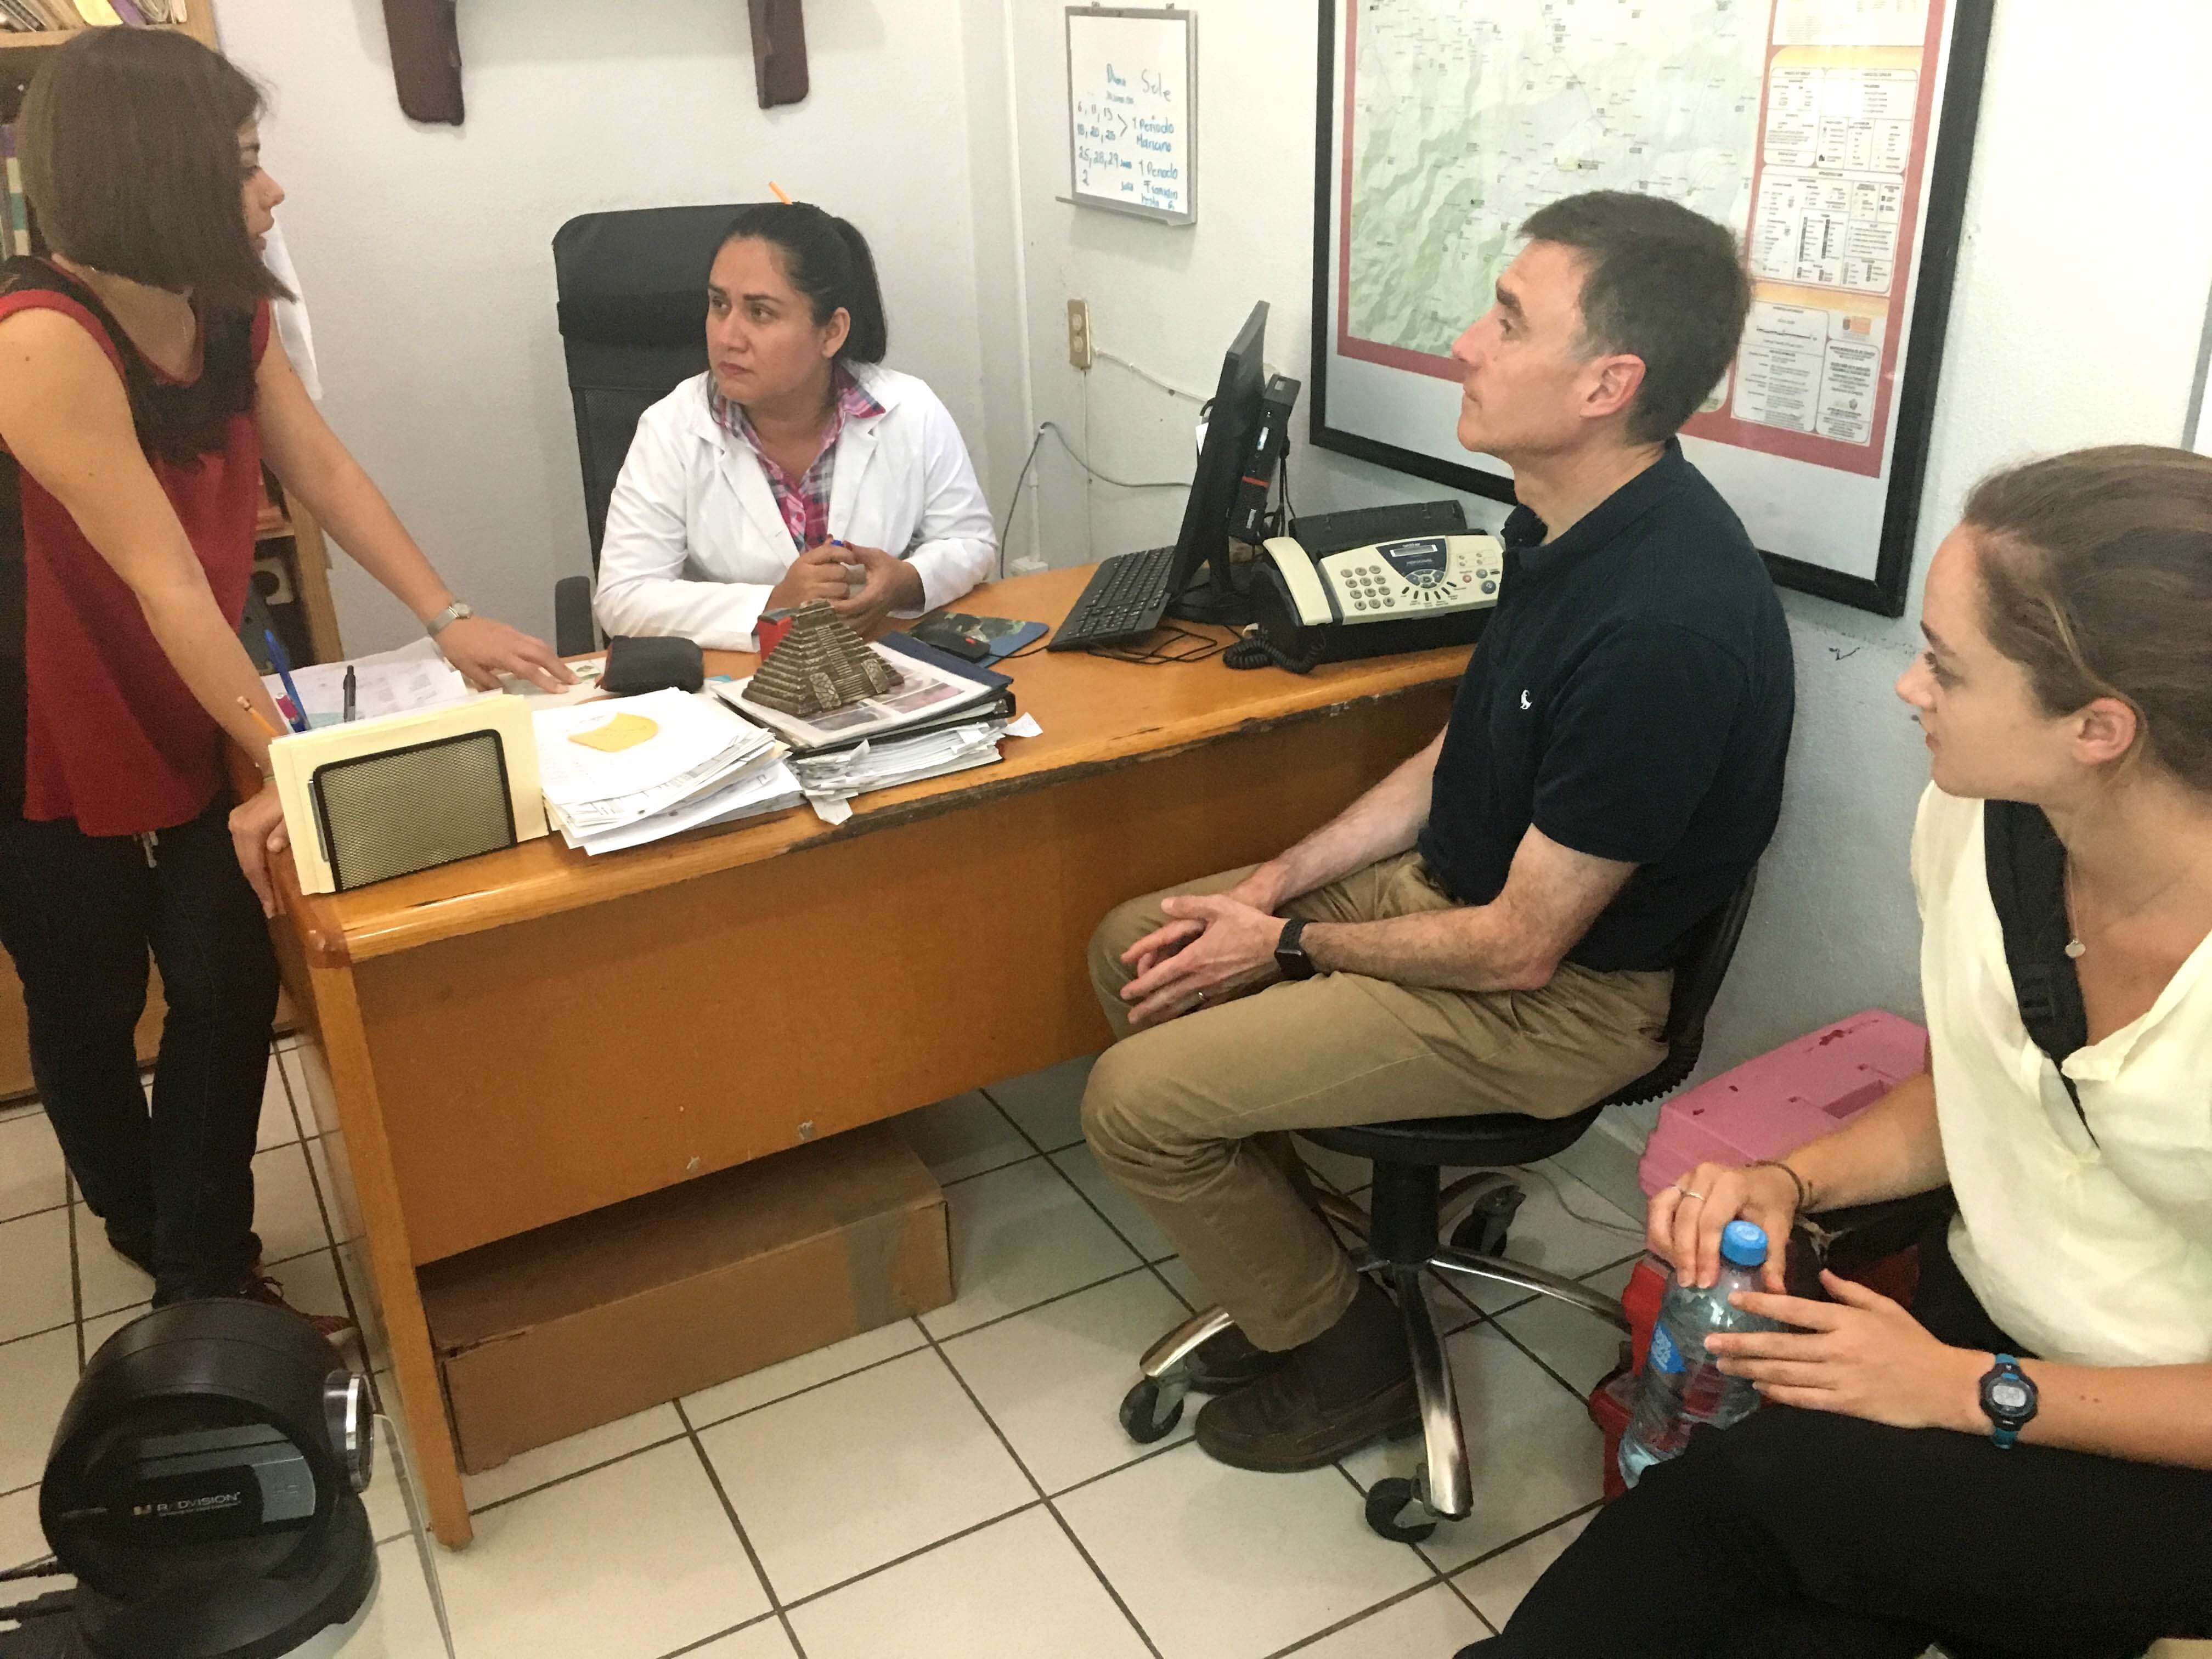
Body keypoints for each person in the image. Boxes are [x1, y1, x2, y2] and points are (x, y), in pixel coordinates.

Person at [1080, 191, 1795, 1472]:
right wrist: (1276, 886)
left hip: (1557, 996)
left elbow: (1524, 949)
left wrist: (1289, 946)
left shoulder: (1661, 627)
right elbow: (1462, 751)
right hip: (1458, 897)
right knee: (1145, 944)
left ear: (1606, 384)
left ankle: (1344, 1351)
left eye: (1509, 321)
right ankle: (1302, 1283)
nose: (1467, 341)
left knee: (1134, 1105)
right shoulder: (1566, 522)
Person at [1460, 445, 2212, 1658]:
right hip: (1971, 1340)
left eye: (1949, 668)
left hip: (2163, 1447)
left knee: (1742, 1505)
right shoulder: (1977, 823)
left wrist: (1968, 1395)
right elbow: (1993, 1088)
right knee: (1779, 1595)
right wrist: (1794, 1180)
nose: (1909, 687)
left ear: (2100, 727)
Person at [0, 29, 571, 1323]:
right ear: (160, 173)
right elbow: (159, 581)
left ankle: (206, 1268)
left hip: (194, 684)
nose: (273, 192)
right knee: (88, 998)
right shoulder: (38, 337)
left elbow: (319, 471)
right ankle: (139, 1219)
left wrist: (448, 613)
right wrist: (292, 757)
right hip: (43, 707)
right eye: (247, 164)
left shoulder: (227, 303)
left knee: (226, 973)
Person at [592, 201, 995, 648]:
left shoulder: (909, 408)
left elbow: (970, 541)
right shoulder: (672, 429)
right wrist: (771, 605)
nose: (727, 336)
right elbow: (621, 597)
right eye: (718, 304)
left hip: (880, 662)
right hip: (739, 683)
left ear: (831, 332)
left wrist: (908, 580)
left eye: (760, 313)